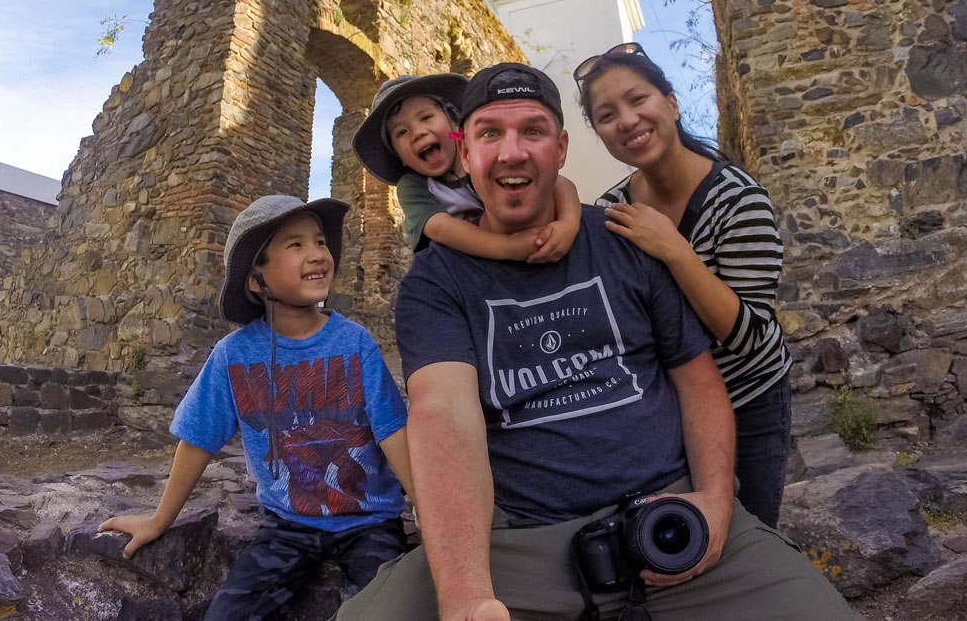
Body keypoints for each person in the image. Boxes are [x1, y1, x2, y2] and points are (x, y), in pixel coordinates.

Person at [336, 63, 858, 621]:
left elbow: (698, 376)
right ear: (466, 154)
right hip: (522, 542)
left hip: (666, 512)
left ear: (561, 148)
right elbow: (443, 415)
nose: (512, 152)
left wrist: (713, 500)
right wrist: (467, 596)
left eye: (533, 131)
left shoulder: (626, 238)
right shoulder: (435, 281)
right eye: (491, 134)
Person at [100, 195, 414, 621]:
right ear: (256, 279)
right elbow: (197, 439)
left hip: (370, 521)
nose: (318, 254)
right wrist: (159, 519)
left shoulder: (354, 342)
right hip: (287, 526)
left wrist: (432, 516)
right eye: (295, 245)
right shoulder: (234, 354)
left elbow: (394, 432)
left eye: (320, 242)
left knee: (395, 609)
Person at [575, 42, 793, 529]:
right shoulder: (613, 210)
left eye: (638, 100)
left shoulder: (737, 200)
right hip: (670, 411)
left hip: (748, 400)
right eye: (606, 115)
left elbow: (748, 333)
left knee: (748, 533)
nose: (627, 121)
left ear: (670, 103)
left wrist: (674, 248)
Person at [352, 73, 580, 260]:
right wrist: (507, 247)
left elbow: (559, 183)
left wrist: (568, 225)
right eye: (401, 132)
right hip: (462, 266)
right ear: (399, 156)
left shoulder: (484, 161)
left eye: (426, 117)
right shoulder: (413, 186)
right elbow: (440, 227)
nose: (418, 132)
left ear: (455, 125)